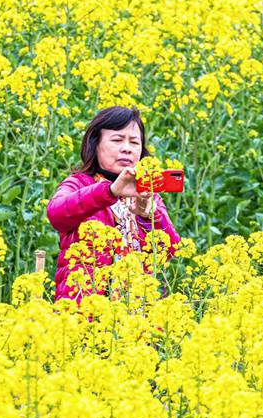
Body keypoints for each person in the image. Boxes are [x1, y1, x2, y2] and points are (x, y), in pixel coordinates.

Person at [47, 106, 181, 301]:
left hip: (135, 316)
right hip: (85, 314)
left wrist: (147, 215)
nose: (127, 148)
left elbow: (169, 250)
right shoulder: (79, 184)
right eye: (117, 140)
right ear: (95, 145)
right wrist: (109, 192)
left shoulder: (146, 193)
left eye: (134, 142)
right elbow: (56, 214)